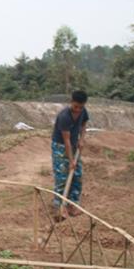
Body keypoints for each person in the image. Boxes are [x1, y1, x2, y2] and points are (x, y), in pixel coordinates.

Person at [52, 90, 89, 219]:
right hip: (60, 146)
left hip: (73, 145)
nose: (78, 109)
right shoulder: (64, 116)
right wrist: (71, 160)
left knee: (77, 175)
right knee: (62, 176)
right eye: (75, 106)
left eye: (81, 107)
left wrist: (81, 138)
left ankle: (73, 205)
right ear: (71, 101)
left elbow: (84, 124)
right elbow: (66, 141)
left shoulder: (83, 111)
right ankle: (59, 207)